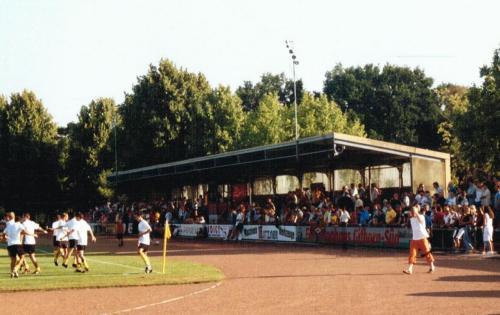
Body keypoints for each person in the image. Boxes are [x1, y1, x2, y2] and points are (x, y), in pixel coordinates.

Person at [403, 205, 435, 275]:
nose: (412, 212)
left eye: (413, 211)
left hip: (422, 237)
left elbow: (420, 220)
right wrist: (413, 211)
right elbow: (409, 215)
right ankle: (410, 269)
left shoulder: (421, 216)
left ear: (417, 211)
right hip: (414, 239)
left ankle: (432, 266)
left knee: (427, 253)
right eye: (412, 211)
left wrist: (416, 211)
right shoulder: (411, 219)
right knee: (412, 254)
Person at [1, 212, 34, 278]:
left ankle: (12, 273)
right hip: (17, 244)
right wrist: (31, 234)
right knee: (22, 257)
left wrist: (5, 238)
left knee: (13, 260)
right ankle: (15, 270)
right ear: (14, 216)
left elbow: (4, 234)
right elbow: (24, 231)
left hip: (10, 245)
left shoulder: (8, 225)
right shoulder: (18, 224)